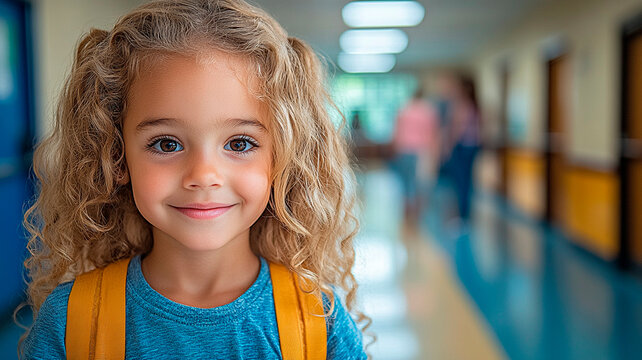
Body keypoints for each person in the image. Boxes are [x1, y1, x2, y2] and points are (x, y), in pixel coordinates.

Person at [17, 0, 368, 358]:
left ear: (282, 159)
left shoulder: (318, 323)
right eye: (167, 144)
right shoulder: (71, 323)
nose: (203, 176)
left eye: (240, 143)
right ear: (117, 156)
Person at [391, 87, 439, 223]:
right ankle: (417, 212)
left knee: (406, 180)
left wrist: (395, 148)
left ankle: (407, 210)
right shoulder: (428, 111)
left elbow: (397, 131)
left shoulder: (403, 109)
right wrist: (434, 152)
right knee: (419, 181)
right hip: (421, 150)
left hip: (404, 149)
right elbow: (432, 133)